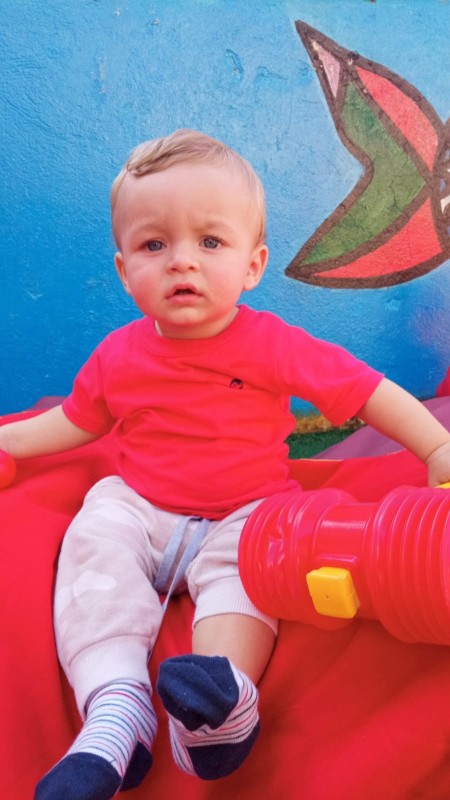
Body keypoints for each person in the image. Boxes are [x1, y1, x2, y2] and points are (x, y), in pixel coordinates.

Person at [1, 129, 450, 800]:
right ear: (123, 270)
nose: (182, 261)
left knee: (252, 569)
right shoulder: (119, 355)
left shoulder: (272, 344)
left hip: (245, 511)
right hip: (144, 506)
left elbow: (365, 392)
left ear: (252, 265)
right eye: (154, 245)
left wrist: (436, 447)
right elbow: (75, 421)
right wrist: (10, 443)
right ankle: (115, 708)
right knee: (96, 530)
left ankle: (220, 706)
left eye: (210, 242)